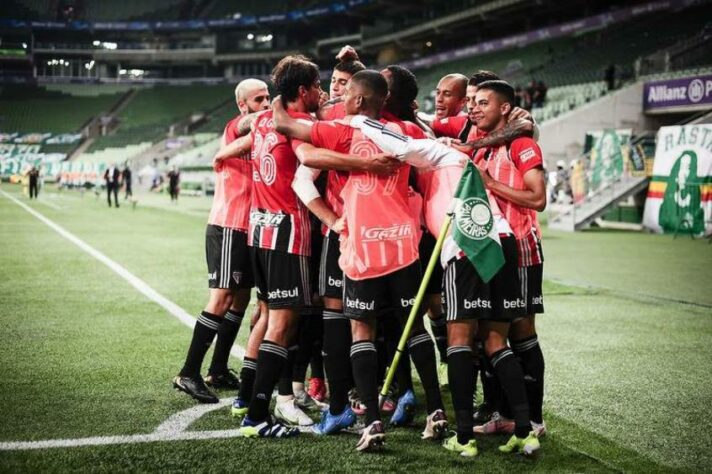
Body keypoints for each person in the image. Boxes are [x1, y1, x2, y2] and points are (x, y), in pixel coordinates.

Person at [274, 70, 446, 452]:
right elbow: (434, 163)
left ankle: (370, 421)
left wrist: (278, 95)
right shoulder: (405, 133)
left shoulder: (342, 130)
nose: (340, 94)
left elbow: (295, 147)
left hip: (359, 245)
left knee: (359, 331)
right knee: (411, 326)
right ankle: (435, 409)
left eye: (345, 89)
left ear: (356, 100)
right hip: (403, 245)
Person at [173, 78, 270, 404]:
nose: (266, 104)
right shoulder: (236, 126)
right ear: (243, 105)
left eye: (269, 97)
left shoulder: (261, 134)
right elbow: (252, 122)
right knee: (221, 297)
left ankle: (217, 368)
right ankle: (188, 372)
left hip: (249, 228)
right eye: (259, 99)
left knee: (241, 299)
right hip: (228, 225)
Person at [469, 80, 545, 453]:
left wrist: (492, 183)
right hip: (493, 252)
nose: (475, 108)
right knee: (489, 333)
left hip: (523, 249)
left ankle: (535, 417)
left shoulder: (521, 144)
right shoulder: (484, 147)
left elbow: (538, 198)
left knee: (522, 331)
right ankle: (502, 413)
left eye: (483, 103)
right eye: (473, 102)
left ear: (505, 109)